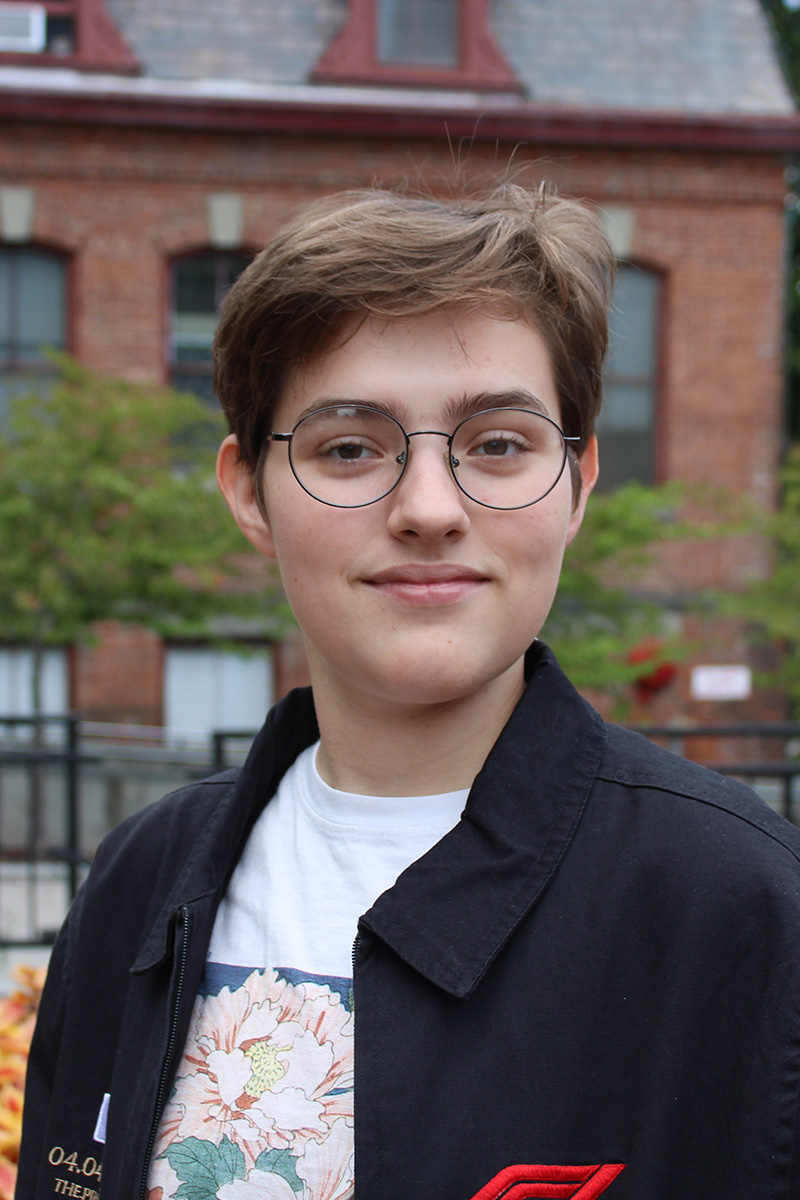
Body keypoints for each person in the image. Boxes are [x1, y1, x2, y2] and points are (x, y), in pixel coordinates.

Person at [16, 185, 800, 1200]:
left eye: (498, 444)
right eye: (349, 447)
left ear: (577, 482)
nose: (428, 508)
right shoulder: (139, 879)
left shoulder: (739, 908)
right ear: (249, 491)